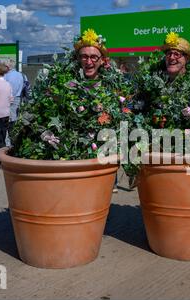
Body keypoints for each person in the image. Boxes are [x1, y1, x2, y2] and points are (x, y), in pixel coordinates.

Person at [73, 29, 119, 192]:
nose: (89, 61)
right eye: (84, 56)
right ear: (78, 59)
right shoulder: (67, 85)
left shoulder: (113, 86)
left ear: (102, 61)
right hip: (75, 150)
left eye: (94, 57)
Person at [4, 59, 24, 145]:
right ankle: (14, 141)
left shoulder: (7, 76)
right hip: (18, 99)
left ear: (7, 67)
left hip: (9, 99)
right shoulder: (20, 75)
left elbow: (7, 90)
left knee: (8, 122)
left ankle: (8, 143)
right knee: (15, 120)